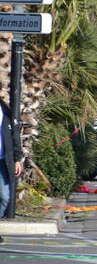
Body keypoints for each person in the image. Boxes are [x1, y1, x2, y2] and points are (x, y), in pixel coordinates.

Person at [0, 100, 22, 243]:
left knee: (4, 197)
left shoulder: (5, 110)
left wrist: (17, 159)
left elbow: (15, 136)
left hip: (3, 161)